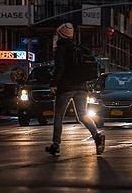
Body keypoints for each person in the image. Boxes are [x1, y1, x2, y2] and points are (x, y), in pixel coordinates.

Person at [45, 22, 105, 157]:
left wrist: (54, 83)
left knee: (58, 117)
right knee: (83, 115)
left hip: (66, 87)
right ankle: (97, 136)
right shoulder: (79, 48)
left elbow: (59, 68)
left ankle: (56, 145)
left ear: (61, 35)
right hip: (82, 87)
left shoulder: (61, 49)